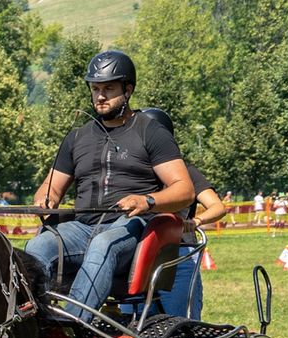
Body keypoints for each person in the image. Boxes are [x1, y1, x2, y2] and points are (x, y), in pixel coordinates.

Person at [25, 50, 193, 320]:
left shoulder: (151, 132)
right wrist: (46, 200)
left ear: (128, 90)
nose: (100, 96)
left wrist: (146, 200)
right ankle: (36, 322)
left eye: (108, 88)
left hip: (132, 228)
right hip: (81, 227)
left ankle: (71, 324)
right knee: (37, 248)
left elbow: (184, 190)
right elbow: (51, 188)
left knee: (104, 243)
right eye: (95, 89)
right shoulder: (76, 138)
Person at [138, 108, 225, 320]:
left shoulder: (186, 172)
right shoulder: (133, 173)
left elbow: (217, 207)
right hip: (138, 256)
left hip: (178, 254)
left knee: (182, 322)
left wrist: (195, 221)